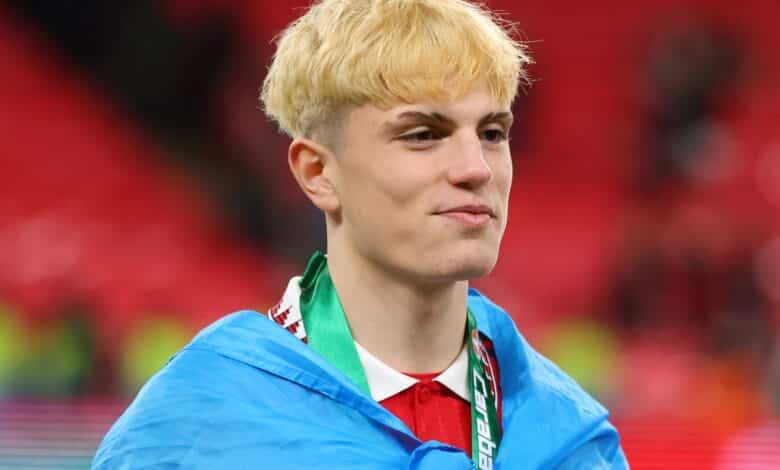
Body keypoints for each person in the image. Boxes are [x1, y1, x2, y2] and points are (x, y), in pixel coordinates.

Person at [93, 0, 628, 468]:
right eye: (423, 135)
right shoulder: (201, 423)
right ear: (318, 173)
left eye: (492, 133)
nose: (476, 168)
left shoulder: (570, 438)